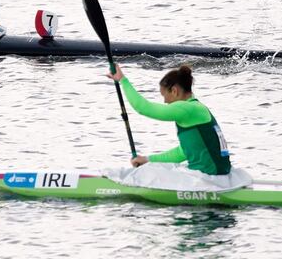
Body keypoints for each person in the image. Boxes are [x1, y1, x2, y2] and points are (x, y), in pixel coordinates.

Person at [103, 63, 252, 191]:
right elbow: (183, 152)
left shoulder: (187, 109)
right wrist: (148, 159)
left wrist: (123, 80)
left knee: (146, 173)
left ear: (174, 91)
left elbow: (143, 108)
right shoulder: (195, 109)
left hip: (209, 179)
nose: (165, 102)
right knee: (151, 167)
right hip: (218, 175)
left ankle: (113, 182)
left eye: (164, 96)